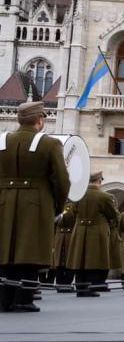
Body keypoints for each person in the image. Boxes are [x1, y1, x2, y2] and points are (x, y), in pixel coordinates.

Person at [0, 100, 71, 312]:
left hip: (3, 201)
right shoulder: (49, 144)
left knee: (4, 252)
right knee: (29, 251)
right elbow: (61, 180)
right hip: (36, 204)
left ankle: (4, 299)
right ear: (40, 121)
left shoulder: (2, 141)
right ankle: (23, 299)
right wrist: (58, 207)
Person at [66, 172, 120, 298]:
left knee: (80, 259)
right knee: (93, 260)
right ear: (99, 180)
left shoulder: (78, 195)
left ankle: (80, 287)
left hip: (79, 230)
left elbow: (73, 212)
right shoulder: (105, 196)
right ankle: (91, 287)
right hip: (97, 231)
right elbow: (114, 215)